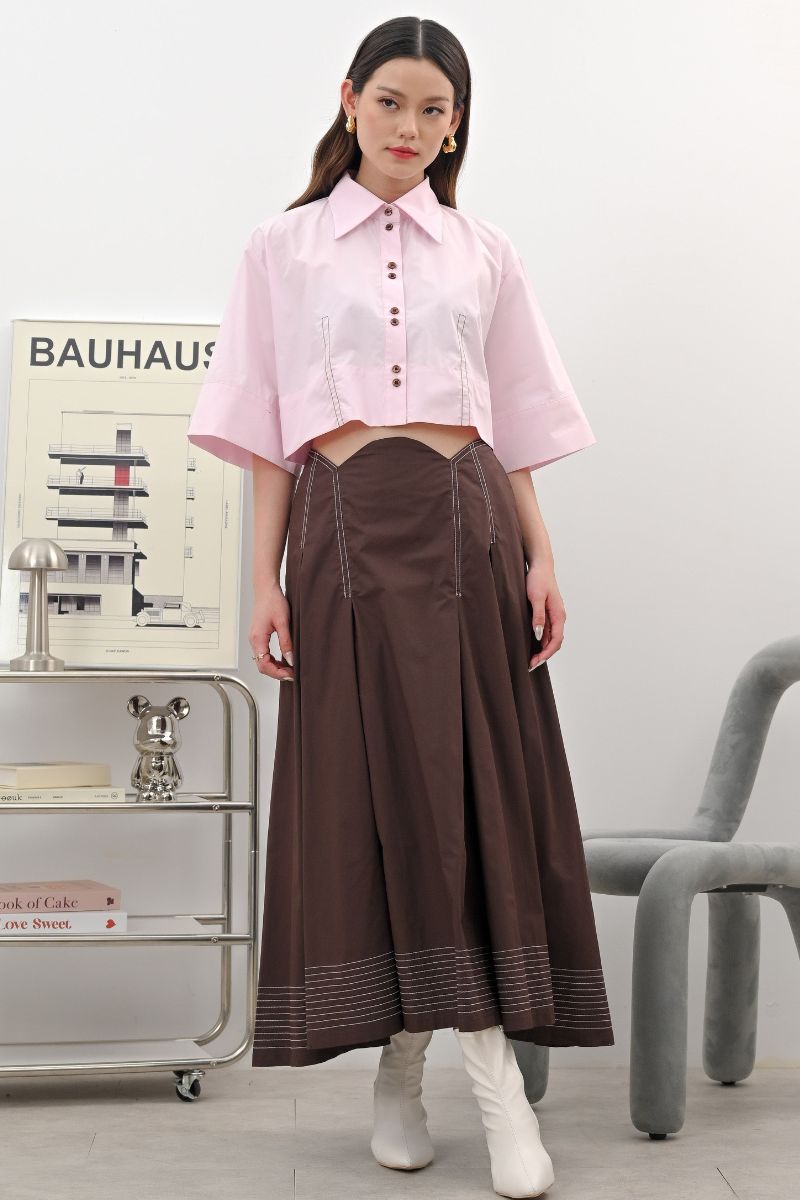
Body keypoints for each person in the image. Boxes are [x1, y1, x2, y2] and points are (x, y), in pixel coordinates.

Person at [187, 17, 613, 1199]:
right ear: (348, 100)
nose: (410, 128)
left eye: (434, 111)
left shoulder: (482, 251)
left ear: (455, 125)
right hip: (340, 538)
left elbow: (510, 424)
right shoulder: (279, 248)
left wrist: (541, 557)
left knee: (468, 802)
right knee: (377, 809)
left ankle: (480, 1085)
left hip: (467, 530)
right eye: (390, 103)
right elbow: (266, 436)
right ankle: (408, 1071)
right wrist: (262, 581)